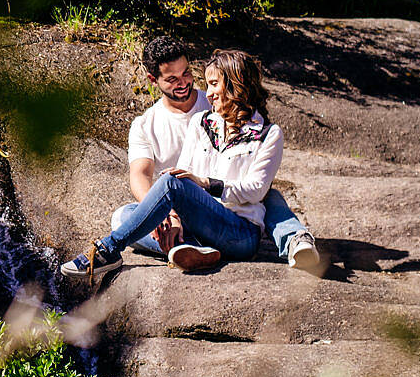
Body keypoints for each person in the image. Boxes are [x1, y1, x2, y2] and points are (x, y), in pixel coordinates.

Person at [60, 48, 304, 278]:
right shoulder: (198, 121)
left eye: (212, 84)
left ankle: (108, 249)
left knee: (269, 196)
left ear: (236, 84)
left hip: (239, 231)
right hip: (196, 221)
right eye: (173, 78)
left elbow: (257, 189)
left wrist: (206, 183)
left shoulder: (268, 134)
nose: (206, 93)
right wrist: (174, 219)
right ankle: (191, 249)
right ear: (154, 80)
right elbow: (158, 175)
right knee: (124, 216)